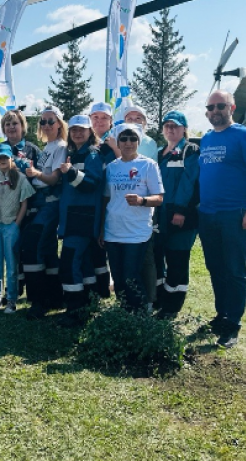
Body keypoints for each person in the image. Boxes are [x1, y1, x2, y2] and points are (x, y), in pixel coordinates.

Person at [199, 91, 246, 349]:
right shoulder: (206, 139)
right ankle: (221, 315)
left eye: (220, 106)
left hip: (235, 214)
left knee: (234, 270)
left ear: (231, 107)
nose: (215, 110)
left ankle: (233, 324)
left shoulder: (244, 135)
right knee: (215, 267)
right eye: (210, 107)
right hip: (207, 214)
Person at [100, 123, 164, 312]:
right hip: (113, 231)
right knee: (118, 278)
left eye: (133, 138)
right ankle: (124, 312)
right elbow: (106, 199)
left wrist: (142, 200)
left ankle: (140, 314)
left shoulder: (148, 165)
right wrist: (101, 229)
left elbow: (159, 198)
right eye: (124, 138)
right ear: (118, 142)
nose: (128, 143)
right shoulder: (111, 168)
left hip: (137, 232)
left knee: (131, 276)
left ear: (139, 141)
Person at [56, 115, 105, 327]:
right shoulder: (73, 153)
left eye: (82, 130)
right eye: (74, 130)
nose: (77, 133)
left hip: (82, 218)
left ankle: (75, 310)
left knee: (69, 261)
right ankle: (87, 305)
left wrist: (72, 172)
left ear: (90, 132)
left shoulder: (92, 155)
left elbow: (92, 184)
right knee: (84, 263)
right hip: (73, 216)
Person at [19, 105, 68, 320]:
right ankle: (55, 297)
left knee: (32, 246)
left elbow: (54, 178)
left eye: (51, 121)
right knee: (47, 249)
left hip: (50, 202)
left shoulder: (60, 147)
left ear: (59, 124)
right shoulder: (46, 147)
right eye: (43, 121)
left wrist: (36, 173)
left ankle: (38, 301)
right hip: (39, 201)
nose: (46, 125)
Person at [154, 111, 201, 319]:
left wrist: (181, 210)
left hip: (181, 215)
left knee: (177, 259)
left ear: (184, 128)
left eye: (175, 126)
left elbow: (189, 182)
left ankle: (172, 307)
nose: (171, 129)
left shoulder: (190, 151)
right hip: (160, 214)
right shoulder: (159, 152)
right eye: (167, 126)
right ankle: (160, 300)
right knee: (159, 258)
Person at [0, 143, 35, 314]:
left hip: (10, 225)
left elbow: (24, 203)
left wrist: (16, 224)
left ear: (11, 158)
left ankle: (11, 299)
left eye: (5, 157)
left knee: (12, 263)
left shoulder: (20, 178)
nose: (2, 160)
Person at [0, 109, 41, 299]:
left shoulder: (32, 149)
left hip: (30, 206)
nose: (11, 127)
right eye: (7, 124)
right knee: (11, 248)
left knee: (27, 246)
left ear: (23, 126)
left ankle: (31, 287)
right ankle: (14, 287)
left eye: (15, 123)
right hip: (7, 208)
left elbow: (42, 175)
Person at [87, 101, 118, 298]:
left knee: (109, 243)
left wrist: (115, 149)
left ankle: (110, 285)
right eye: (95, 117)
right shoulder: (87, 143)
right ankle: (100, 288)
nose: (99, 121)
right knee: (94, 243)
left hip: (113, 201)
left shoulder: (115, 142)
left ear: (111, 121)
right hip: (91, 201)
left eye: (104, 118)